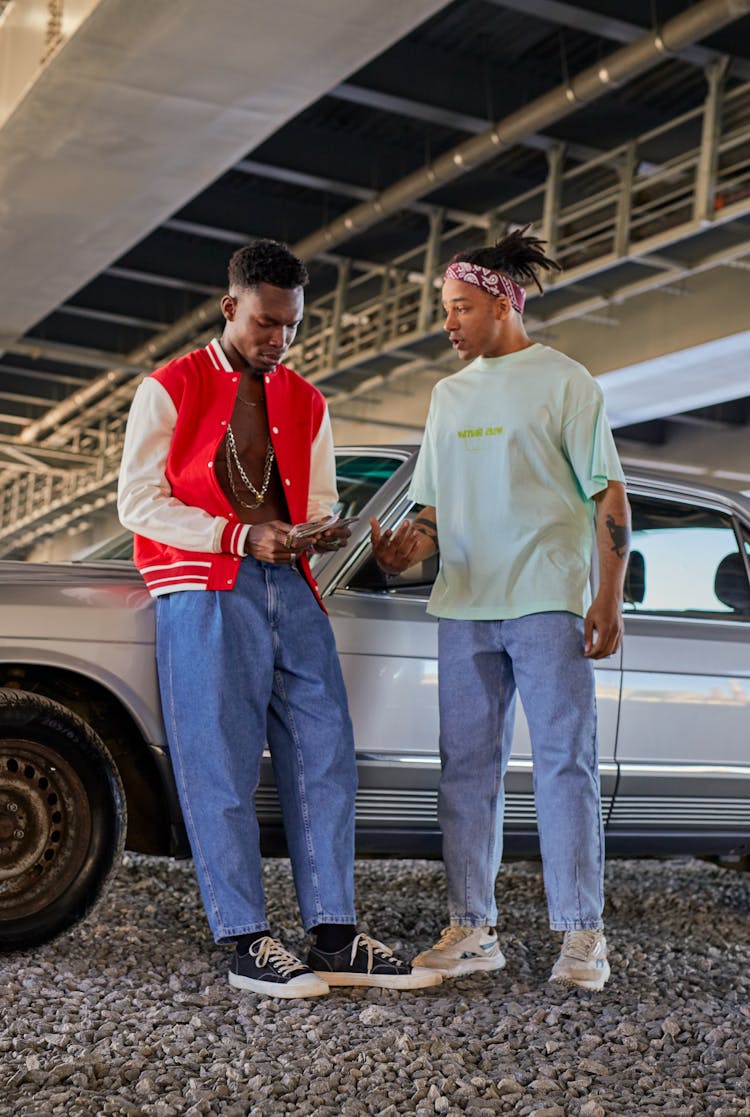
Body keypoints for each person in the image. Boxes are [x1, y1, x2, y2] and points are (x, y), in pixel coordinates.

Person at [118, 237, 440, 998]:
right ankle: (245, 937)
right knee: (218, 759)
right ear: (231, 307)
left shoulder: (307, 400)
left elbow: (320, 496)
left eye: (290, 325)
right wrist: (238, 533)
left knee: (325, 750)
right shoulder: (169, 386)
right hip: (203, 583)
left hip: (291, 584)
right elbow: (139, 501)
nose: (279, 339)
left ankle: (333, 932)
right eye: (265, 322)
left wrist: (321, 529)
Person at [370, 228, 630, 991]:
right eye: (443, 309)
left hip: (546, 602)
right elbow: (430, 510)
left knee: (565, 768)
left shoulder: (566, 381)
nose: (447, 323)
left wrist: (606, 595)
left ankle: (583, 935)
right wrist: (401, 551)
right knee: (467, 772)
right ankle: (472, 927)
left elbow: (607, 492)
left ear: (499, 302)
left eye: (457, 308)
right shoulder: (447, 396)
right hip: (465, 609)